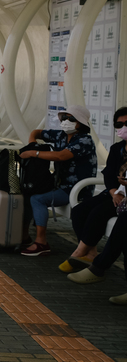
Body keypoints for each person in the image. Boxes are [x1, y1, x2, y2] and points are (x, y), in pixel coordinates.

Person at [20, 105, 98, 257]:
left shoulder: (84, 140)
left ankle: (41, 242)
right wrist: (32, 143)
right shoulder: (60, 135)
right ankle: (24, 235)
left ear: (81, 123)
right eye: (64, 117)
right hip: (59, 184)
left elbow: (61, 156)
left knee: (37, 199)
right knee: (29, 192)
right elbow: (36, 132)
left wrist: (33, 152)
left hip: (76, 189)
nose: (66, 121)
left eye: (71, 119)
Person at [60, 106, 127, 273]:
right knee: (79, 211)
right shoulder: (116, 149)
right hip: (114, 193)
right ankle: (90, 253)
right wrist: (113, 191)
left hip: (125, 197)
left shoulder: (84, 140)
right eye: (119, 125)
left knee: (98, 212)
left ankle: (80, 252)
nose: (123, 128)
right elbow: (109, 173)